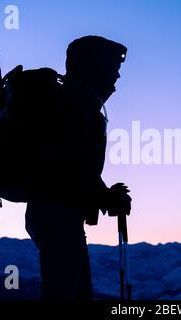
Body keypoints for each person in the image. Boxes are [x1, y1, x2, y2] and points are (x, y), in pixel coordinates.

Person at [24, 35, 132, 300]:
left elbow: (73, 163)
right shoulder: (75, 104)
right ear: (94, 66)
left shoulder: (76, 102)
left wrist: (103, 194)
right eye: (112, 66)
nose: (117, 75)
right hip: (57, 213)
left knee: (74, 294)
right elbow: (68, 164)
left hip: (57, 213)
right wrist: (105, 197)